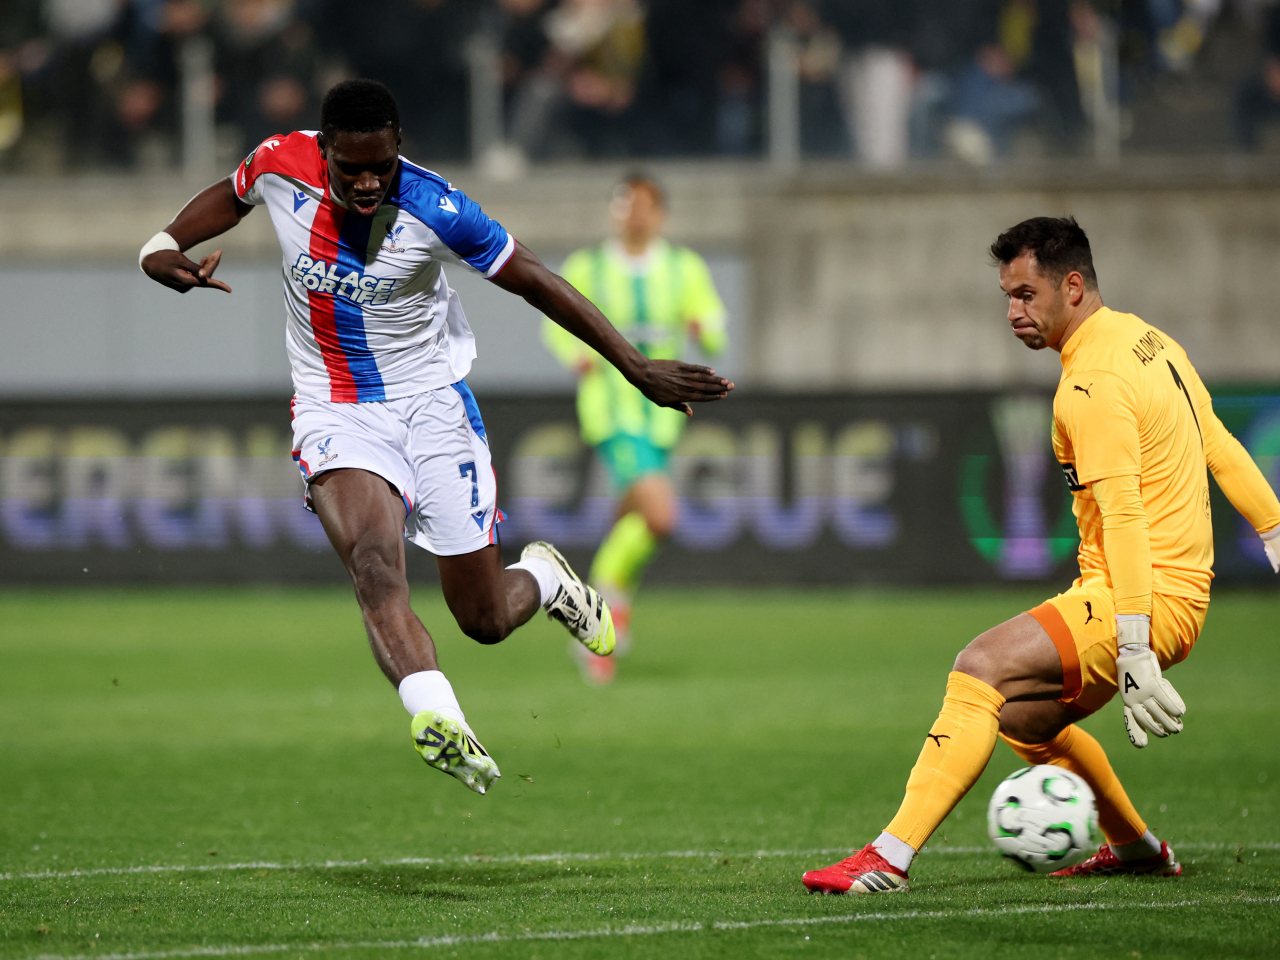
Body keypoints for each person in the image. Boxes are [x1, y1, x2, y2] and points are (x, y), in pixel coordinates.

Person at [138, 79, 732, 796]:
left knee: (482, 619)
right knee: (374, 565)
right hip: (334, 409)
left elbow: (536, 279)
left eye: (380, 166)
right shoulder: (278, 164)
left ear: (399, 151)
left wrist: (635, 366)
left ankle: (544, 578)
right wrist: (163, 244)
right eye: (349, 166)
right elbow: (228, 195)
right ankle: (437, 714)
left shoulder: (438, 208)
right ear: (321, 150)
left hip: (432, 407)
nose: (366, 182)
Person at [802, 216, 1280, 894]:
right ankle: (1137, 849)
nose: (1012, 312)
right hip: (1160, 594)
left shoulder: (1091, 385)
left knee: (980, 666)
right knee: (1025, 718)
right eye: (1007, 295)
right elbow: (1222, 445)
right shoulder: (1149, 340)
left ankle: (886, 857)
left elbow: (1124, 515)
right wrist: (1276, 535)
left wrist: (1137, 646)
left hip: (1139, 598)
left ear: (1074, 286)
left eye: (1026, 294)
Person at [542, 174, 727, 684]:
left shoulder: (683, 268)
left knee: (634, 520)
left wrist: (704, 332)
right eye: (625, 203)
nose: (633, 213)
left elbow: (713, 325)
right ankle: (603, 612)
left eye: (644, 205)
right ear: (613, 211)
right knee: (661, 516)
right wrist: (574, 354)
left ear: (659, 214)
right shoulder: (588, 267)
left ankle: (595, 612)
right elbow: (555, 321)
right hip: (613, 413)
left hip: (663, 416)